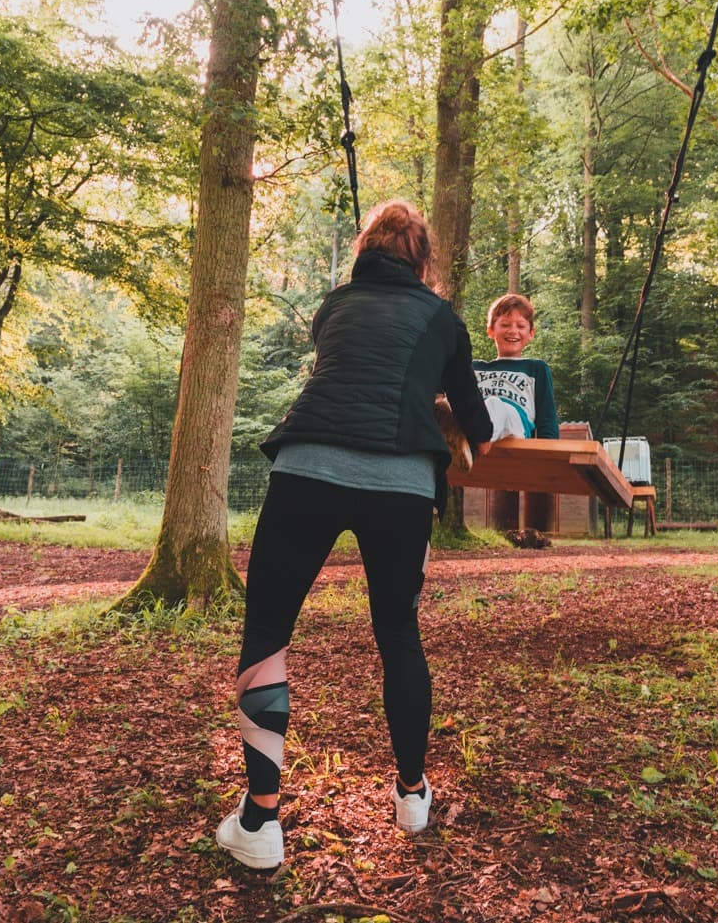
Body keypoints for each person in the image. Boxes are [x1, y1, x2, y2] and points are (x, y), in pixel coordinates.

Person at [215, 199, 494, 870]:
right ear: (425, 262)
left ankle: (260, 820)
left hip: (307, 463)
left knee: (268, 631)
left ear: (362, 249)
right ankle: (410, 793)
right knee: (397, 629)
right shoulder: (444, 319)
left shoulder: (334, 305)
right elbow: (477, 423)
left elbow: (350, 369)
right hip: (402, 482)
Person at [474, 293, 560, 441]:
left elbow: (547, 420)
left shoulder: (535, 368)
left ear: (531, 333)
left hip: (515, 427)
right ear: (491, 330)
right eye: (505, 325)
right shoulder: (475, 368)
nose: (513, 331)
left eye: (520, 326)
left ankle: (472, 440)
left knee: (494, 404)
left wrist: (548, 457)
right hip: (477, 419)